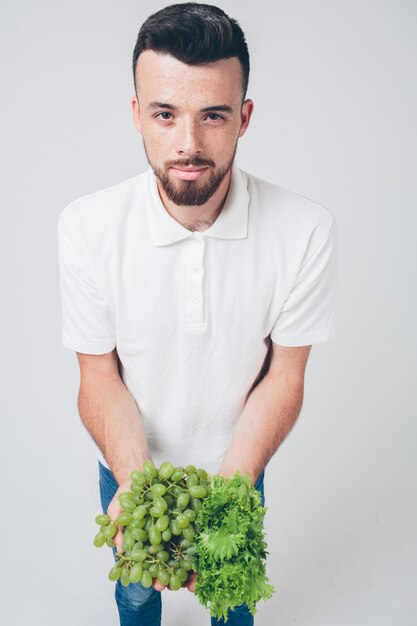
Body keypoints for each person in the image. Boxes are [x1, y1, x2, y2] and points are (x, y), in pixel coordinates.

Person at [57, 3, 338, 625]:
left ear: (244, 118)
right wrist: (136, 488)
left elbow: (286, 376)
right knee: (134, 594)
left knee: (233, 601)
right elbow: (98, 376)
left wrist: (234, 484)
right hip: (131, 465)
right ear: (137, 116)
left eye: (213, 115)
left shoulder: (306, 229)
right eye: (165, 114)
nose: (188, 143)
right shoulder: (86, 227)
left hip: (237, 462)